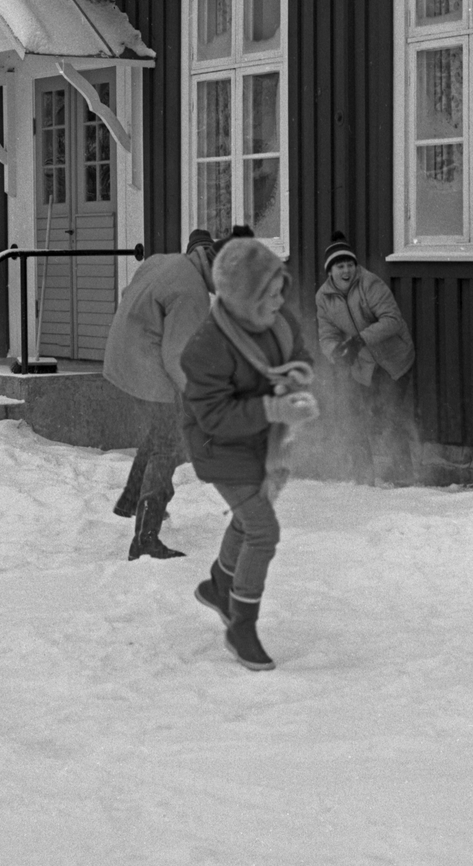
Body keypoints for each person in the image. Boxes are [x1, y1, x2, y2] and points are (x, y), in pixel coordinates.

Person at [181, 236, 318, 671]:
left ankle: (221, 583)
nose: (280, 300)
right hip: (218, 445)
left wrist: (297, 375)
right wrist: (273, 407)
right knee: (262, 530)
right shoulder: (205, 348)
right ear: (241, 298)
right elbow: (215, 417)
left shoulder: (277, 320)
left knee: (248, 517)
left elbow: (297, 351)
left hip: (264, 439)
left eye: (281, 289)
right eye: (269, 293)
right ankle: (242, 625)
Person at [104, 225, 252, 560]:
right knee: (167, 446)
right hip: (146, 364)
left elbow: (130, 293)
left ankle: (131, 499)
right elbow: (178, 355)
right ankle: (145, 537)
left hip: (122, 351)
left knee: (159, 432)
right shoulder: (192, 291)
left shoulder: (164, 261)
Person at [315, 230, 416, 482]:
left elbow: (392, 320)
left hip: (394, 359)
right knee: (357, 418)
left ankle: (403, 479)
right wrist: (336, 353)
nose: (346, 270)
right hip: (363, 366)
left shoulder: (370, 283)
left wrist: (360, 339)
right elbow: (326, 336)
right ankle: (364, 478)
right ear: (331, 271)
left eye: (349, 264)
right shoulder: (323, 298)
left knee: (390, 415)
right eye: (340, 266)